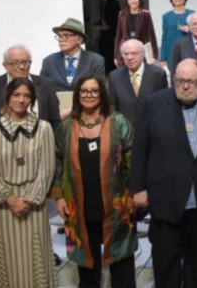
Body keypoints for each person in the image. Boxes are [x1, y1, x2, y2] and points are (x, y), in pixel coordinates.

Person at [130, 59, 197, 287]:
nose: (185, 86)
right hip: (164, 199)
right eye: (180, 81)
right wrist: (138, 188)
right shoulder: (153, 103)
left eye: (191, 81)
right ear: (173, 80)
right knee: (165, 267)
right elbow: (140, 148)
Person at [52, 75, 137, 287]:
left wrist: (134, 193)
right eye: (84, 91)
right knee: (87, 270)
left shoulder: (118, 122)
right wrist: (59, 197)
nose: (89, 95)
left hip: (117, 206)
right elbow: (58, 161)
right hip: (79, 206)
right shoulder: (66, 126)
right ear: (77, 94)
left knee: (121, 265)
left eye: (94, 91)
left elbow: (133, 160)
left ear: (102, 94)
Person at [0, 78, 56, 286]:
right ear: (8, 97)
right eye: (16, 95)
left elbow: (46, 169)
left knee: (36, 253)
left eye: (26, 96)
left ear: (32, 99)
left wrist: (28, 199)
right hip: (4, 206)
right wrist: (11, 199)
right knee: (7, 254)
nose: (21, 100)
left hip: (34, 203)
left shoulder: (44, 128)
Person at [0, 44, 60, 160]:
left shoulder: (46, 85)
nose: (21, 67)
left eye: (25, 62)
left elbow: (55, 123)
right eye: (15, 63)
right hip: (4, 159)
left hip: (41, 156)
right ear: (5, 65)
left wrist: (55, 159)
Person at [108, 39, 168, 126]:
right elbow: (113, 108)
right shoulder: (115, 76)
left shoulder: (158, 74)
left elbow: (163, 105)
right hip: (126, 131)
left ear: (143, 55)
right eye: (126, 54)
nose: (129, 58)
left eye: (134, 53)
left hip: (152, 128)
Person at [41, 17, 106, 92]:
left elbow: (99, 90)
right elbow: (42, 90)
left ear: (79, 39)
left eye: (66, 36)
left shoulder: (95, 60)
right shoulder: (49, 61)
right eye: (59, 36)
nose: (61, 39)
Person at [114, 0, 159, 67]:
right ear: (127, 1)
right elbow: (119, 35)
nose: (133, 1)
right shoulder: (122, 14)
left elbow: (151, 35)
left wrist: (155, 55)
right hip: (126, 50)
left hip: (141, 49)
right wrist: (116, 56)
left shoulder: (145, 14)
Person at [160, 0, 195, 70]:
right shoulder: (166, 16)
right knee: (173, 77)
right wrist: (163, 57)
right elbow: (164, 37)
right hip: (171, 53)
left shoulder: (192, 14)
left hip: (188, 52)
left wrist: (190, 30)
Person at [93, 0, 120, 72]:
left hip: (111, 32)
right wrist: (98, 22)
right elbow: (105, 17)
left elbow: (116, 17)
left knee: (109, 52)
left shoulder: (112, 2)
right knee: (103, 50)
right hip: (105, 32)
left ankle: (110, 70)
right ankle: (106, 69)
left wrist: (110, 27)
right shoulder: (103, 2)